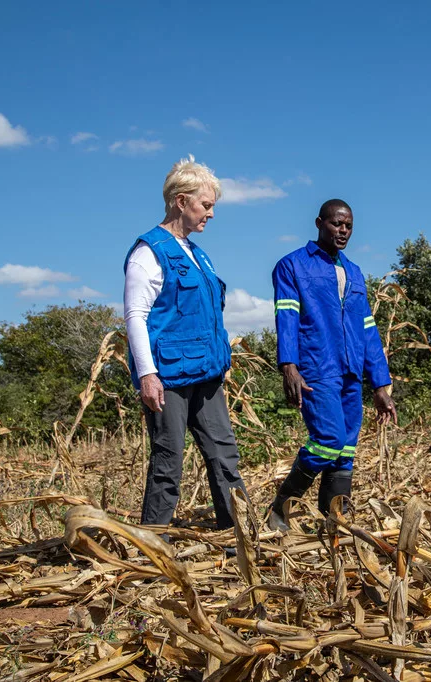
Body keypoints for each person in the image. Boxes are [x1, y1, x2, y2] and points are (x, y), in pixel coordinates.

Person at [123, 154, 248, 532]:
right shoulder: (148, 252)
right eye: (206, 205)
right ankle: (153, 543)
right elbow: (135, 317)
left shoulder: (199, 255)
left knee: (224, 453)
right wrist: (147, 374)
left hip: (206, 373)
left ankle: (238, 533)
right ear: (181, 201)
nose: (210, 213)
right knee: (168, 459)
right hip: (169, 378)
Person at [267, 199, 397, 531]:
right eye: (336, 224)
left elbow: (368, 330)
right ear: (319, 223)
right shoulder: (292, 265)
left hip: (351, 370)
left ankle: (334, 522)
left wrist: (380, 385)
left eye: (348, 226)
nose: (342, 231)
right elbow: (287, 317)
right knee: (328, 438)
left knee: (345, 449)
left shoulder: (353, 272)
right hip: (316, 367)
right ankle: (280, 509)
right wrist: (289, 366)